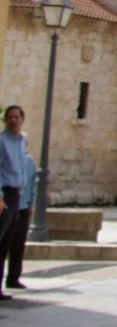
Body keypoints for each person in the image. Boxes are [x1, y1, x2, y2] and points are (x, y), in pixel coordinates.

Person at [0, 106, 27, 301]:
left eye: (16, 117)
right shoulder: (1, 141)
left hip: (16, 195)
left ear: (22, 119)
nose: (13, 120)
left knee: (6, 244)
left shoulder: (22, 140)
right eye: (10, 117)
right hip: (4, 196)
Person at [3, 146, 34, 290]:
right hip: (8, 206)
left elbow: (32, 184)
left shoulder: (29, 161)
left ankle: (14, 278)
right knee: (4, 245)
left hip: (22, 207)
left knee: (18, 245)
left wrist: (30, 204)